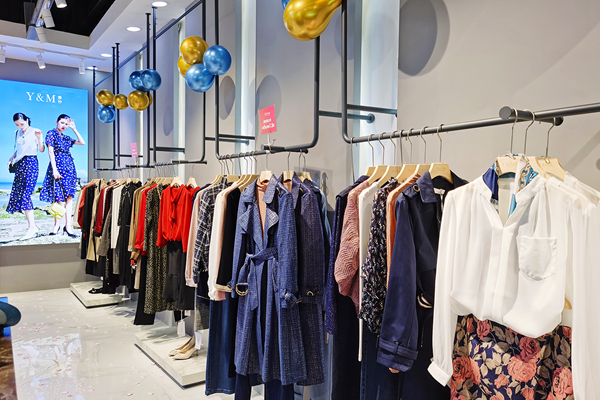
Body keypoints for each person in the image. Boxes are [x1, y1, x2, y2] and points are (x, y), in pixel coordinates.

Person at [39, 114, 85, 237]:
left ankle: (68, 226)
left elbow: (82, 142)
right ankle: (56, 225)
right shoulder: (51, 133)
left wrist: (74, 128)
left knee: (69, 198)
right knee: (58, 198)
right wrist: (54, 170)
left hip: (69, 167)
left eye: (66, 124)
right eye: (62, 123)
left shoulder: (66, 137)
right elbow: (50, 152)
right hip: (57, 167)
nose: (64, 125)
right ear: (57, 122)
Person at [6, 113, 45, 241]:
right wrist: (12, 158)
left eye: (22, 124)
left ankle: (32, 227)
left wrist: (39, 138)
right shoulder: (17, 132)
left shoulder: (35, 131)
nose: (20, 126)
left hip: (31, 163)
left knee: (25, 195)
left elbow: (41, 149)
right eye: (17, 124)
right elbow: (19, 149)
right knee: (19, 193)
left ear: (27, 120)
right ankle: (32, 226)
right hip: (20, 164)